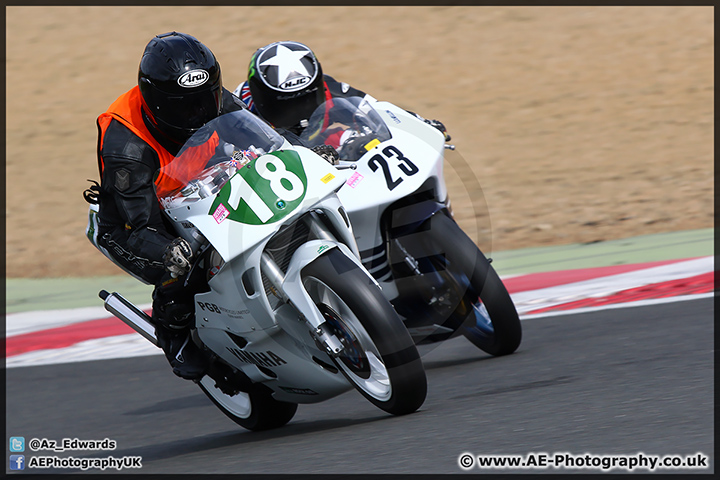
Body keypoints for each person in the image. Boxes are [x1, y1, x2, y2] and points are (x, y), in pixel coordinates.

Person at [84, 32, 246, 381]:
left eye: (205, 100)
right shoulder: (126, 144)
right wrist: (168, 248)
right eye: (184, 106)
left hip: (199, 191)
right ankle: (172, 326)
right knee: (182, 263)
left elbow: (260, 134)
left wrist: (303, 152)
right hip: (139, 222)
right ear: (155, 102)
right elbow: (139, 224)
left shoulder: (213, 102)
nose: (199, 113)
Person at [234, 40, 451, 143]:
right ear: (259, 96)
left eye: (306, 99)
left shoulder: (329, 88)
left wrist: (417, 123)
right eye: (285, 104)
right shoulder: (239, 112)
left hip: (320, 148)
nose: (299, 113)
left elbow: (375, 109)